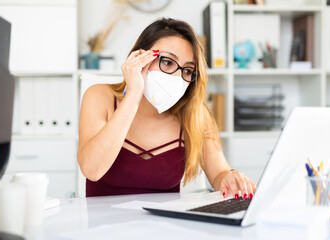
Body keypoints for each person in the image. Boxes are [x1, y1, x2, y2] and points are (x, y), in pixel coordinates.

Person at [78, 18, 256, 199]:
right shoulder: (98, 96)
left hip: (164, 225)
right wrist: (133, 95)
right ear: (139, 58)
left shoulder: (194, 114)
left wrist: (230, 178)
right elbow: (92, 169)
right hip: (102, 225)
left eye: (187, 71)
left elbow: (219, 174)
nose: (177, 77)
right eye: (168, 62)